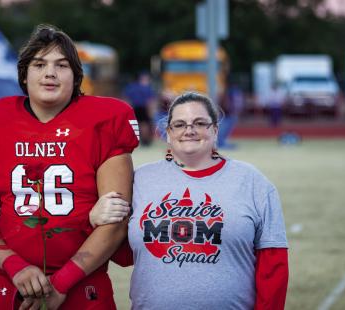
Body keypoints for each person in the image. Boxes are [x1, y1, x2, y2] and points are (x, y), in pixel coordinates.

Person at [0, 24, 139, 310]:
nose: (50, 73)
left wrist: (61, 283)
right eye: (39, 64)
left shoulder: (106, 119)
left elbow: (115, 222)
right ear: (24, 74)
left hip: (84, 283)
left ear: (76, 75)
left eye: (62, 65)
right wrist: (17, 267)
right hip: (11, 281)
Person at [91, 92, 289, 309]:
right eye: (179, 124)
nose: (189, 130)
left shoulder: (252, 181)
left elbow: (273, 265)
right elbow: (124, 255)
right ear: (168, 133)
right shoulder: (140, 180)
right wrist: (96, 218)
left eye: (200, 123)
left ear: (215, 130)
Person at [123, 71, 156, 146]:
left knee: (133, 125)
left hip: (133, 108)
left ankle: (131, 141)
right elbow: (150, 101)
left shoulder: (130, 86)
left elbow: (126, 99)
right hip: (143, 108)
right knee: (144, 124)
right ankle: (145, 141)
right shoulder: (147, 88)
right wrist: (151, 112)